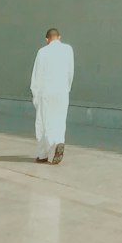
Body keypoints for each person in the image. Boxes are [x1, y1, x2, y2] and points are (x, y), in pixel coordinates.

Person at [30, 28, 74, 165]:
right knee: (60, 119)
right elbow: (70, 72)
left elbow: (36, 76)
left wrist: (35, 95)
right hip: (62, 91)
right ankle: (59, 141)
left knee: (43, 122)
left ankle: (43, 154)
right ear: (59, 37)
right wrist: (67, 89)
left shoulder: (42, 52)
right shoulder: (68, 50)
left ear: (46, 39)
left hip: (46, 92)